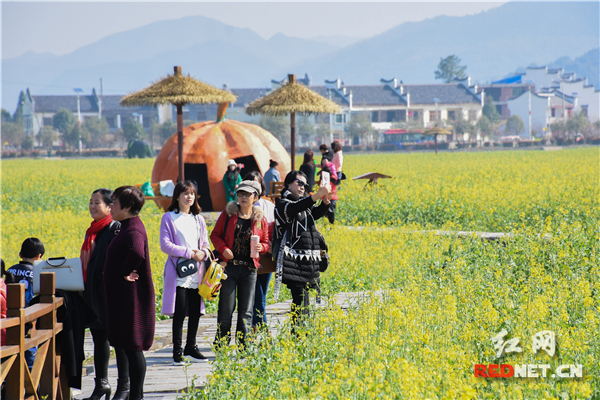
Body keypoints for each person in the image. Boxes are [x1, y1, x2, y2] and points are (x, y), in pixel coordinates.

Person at [104, 186, 155, 400]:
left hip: (131, 298)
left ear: (127, 206)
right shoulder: (127, 225)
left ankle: (136, 396)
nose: (111, 207)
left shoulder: (132, 229)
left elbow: (136, 251)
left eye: (114, 203)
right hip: (125, 297)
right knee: (129, 345)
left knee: (134, 347)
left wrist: (123, 271)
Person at [210, 180, 269, 349]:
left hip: (249, 270)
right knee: (226, 308)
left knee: (247, 310)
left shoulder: (260, 219)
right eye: (240, 194)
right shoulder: (228, 215)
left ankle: (243, 346)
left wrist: (262, 247)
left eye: (247, 194)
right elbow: (215, 235)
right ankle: (221, 344)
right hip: (230, 268)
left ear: (255, 197)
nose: (243, 197)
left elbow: (265, 242)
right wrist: (223, 249)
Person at [81, 189, 128, 400]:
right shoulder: (92, 231)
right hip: (94, 293)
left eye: (97, 202)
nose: (92, 206)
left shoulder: (115, 229)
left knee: (119, 340)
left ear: (110, 207)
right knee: (99, 339)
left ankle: (124, 386)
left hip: (111, 294)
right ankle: (102, 384)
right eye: (90, 202)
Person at [273, 171, 331, 331]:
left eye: (305, 185)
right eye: (299, 183)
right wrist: (315, 196)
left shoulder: (303, 204)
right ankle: (297, 334)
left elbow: (313, 214)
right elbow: (294, 209)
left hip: (306, 261)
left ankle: (302, 335)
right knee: (299, 299)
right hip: (293, 261)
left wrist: (324, 203)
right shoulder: (283, 203)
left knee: (304, 300)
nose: (302, 187)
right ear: (288, 184)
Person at [160, 181, 210, 365]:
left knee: (196, 312)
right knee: (180, 312)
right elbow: (165, 245)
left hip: (197, 272)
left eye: (192, 193)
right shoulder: (169, 217)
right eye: (185, 193)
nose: (189, 196)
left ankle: (191, 346)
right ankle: (177, 351)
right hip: (179, 271)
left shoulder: (199, 219)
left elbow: (205, 243)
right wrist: (189, 253)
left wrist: (203, 253)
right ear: (177, 196)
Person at [5, 238, 45, 370]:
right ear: (39, 256)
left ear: (20, 255)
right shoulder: (38, 273)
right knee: (29, 347)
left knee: (11, 346)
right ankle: (30, 377)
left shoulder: (10, 270)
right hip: (29, 315)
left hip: (10, 315)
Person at [243, 172, 276, 332]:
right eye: (249, 185)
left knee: (261, 293)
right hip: (247, 258)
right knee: (257, 294)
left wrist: (269, 245)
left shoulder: (269, 206)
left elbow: (275, 228)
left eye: (256, 185)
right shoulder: (240, 208)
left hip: (266, 255)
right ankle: (262, 328)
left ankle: (257, 326)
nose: (253, 189)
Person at [320, 153, 339, 224]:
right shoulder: (332, 178)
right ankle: (328, 225)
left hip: (331, 197)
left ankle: (331, 225)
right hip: (330, 198)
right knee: (326, 213)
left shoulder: (332, 179)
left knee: (329, 213)